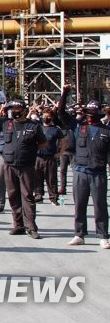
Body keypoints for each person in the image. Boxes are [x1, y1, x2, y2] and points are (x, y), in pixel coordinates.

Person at [0, 93, 46, 238]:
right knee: (13, 196)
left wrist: (29, 151)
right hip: (9, 165)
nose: (14, 111)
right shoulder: (6, 123)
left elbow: (43, 143)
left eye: (17, 108)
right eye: (12, 108)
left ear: (24, 109)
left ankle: (31, 226)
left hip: (26, 166)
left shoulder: (33, 126)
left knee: (27, 197)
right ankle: (18, 225)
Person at [59, 87, 110, 248]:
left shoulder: (106, 131)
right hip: (80, 172)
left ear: (98, 115)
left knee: (100, 205)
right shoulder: (77, 126)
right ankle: (79, 234)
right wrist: (65, 93)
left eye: (91, 113)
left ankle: (103, 235)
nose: (88, 115)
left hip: (98, 173)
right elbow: (60, 112)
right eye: (87, 112)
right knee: (79, 204)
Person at [35, 107, 64, 205]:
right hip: (38, 157)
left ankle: (53, 197)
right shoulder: (37, 127)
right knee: (37, 178)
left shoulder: (56, 129)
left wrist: (60, 152)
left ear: (51, 117)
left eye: (48, 116)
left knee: (51, 179)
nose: (46, 117)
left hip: (50, 157)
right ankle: (38, 196)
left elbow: (64, 141)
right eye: (44, 115)